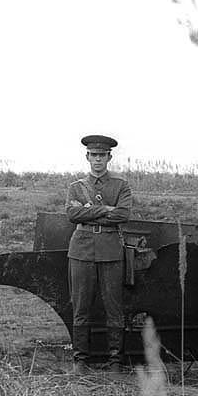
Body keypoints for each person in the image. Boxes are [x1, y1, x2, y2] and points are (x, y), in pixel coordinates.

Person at [66, 134, 132, 375]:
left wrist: (88, 211)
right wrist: (105, 209)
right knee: (81, 306)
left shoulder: (121, 185)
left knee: (114, 307)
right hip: (81, 249)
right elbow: (72, 215)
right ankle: (80, 361)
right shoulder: (75, 186)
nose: (97, 160)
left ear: (109, 157)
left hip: (111, 250)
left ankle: (115, 362)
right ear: (87, 157)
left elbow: (123, 215)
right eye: (93, 155)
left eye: (102, 155)